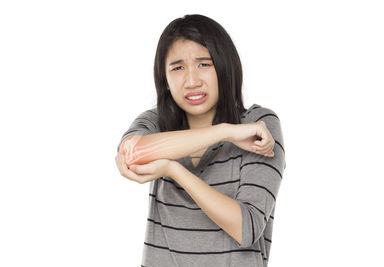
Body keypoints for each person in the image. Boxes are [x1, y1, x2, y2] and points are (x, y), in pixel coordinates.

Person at [115, 14, 286, 267]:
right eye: (177, 67)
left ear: (225, 66)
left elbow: (247, 227)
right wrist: (225, 132)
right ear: (165, 78)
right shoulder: (157, 122)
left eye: (204, 64)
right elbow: (132, 154)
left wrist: (174, 170)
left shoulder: (258, 125)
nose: (191, 81)